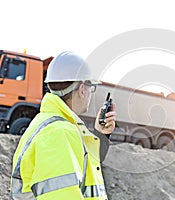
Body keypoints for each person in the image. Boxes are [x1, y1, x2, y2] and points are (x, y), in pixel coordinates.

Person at [10, 51, 116, 199]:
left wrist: (101, 135)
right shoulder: (59, 132)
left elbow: (84, 166)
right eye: (91, 87)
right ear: (82, 89)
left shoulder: (49, 123)